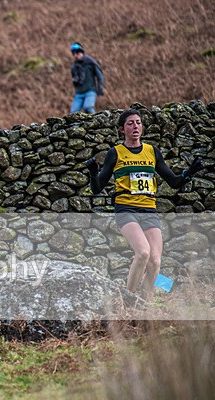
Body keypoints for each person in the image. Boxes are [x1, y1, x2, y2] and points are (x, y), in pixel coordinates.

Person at [86, 108, 202, 301]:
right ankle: (127, 302)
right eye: (130, 123)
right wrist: (92, 173)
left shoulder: (151, 151)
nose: (135, 126)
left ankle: (145, 305)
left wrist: (188, 173)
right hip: (126, 210)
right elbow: (97, 188)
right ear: (122, 129)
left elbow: (173, 181)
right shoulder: (115, 153)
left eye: (138, 122)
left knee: (155, 262)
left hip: (149, 211)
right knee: (143, 253)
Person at [69, 42, 104, 114]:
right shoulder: (74, 66)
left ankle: (96, 122)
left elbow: (99, 76)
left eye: (77, 53)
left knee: (88, 107)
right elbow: (74, 78)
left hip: (90, 91)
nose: (75, 55)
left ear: (81, 52)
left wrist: (100, 89)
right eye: (74, 54)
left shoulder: (90, 62)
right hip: (79, 93)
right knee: (73, 112)